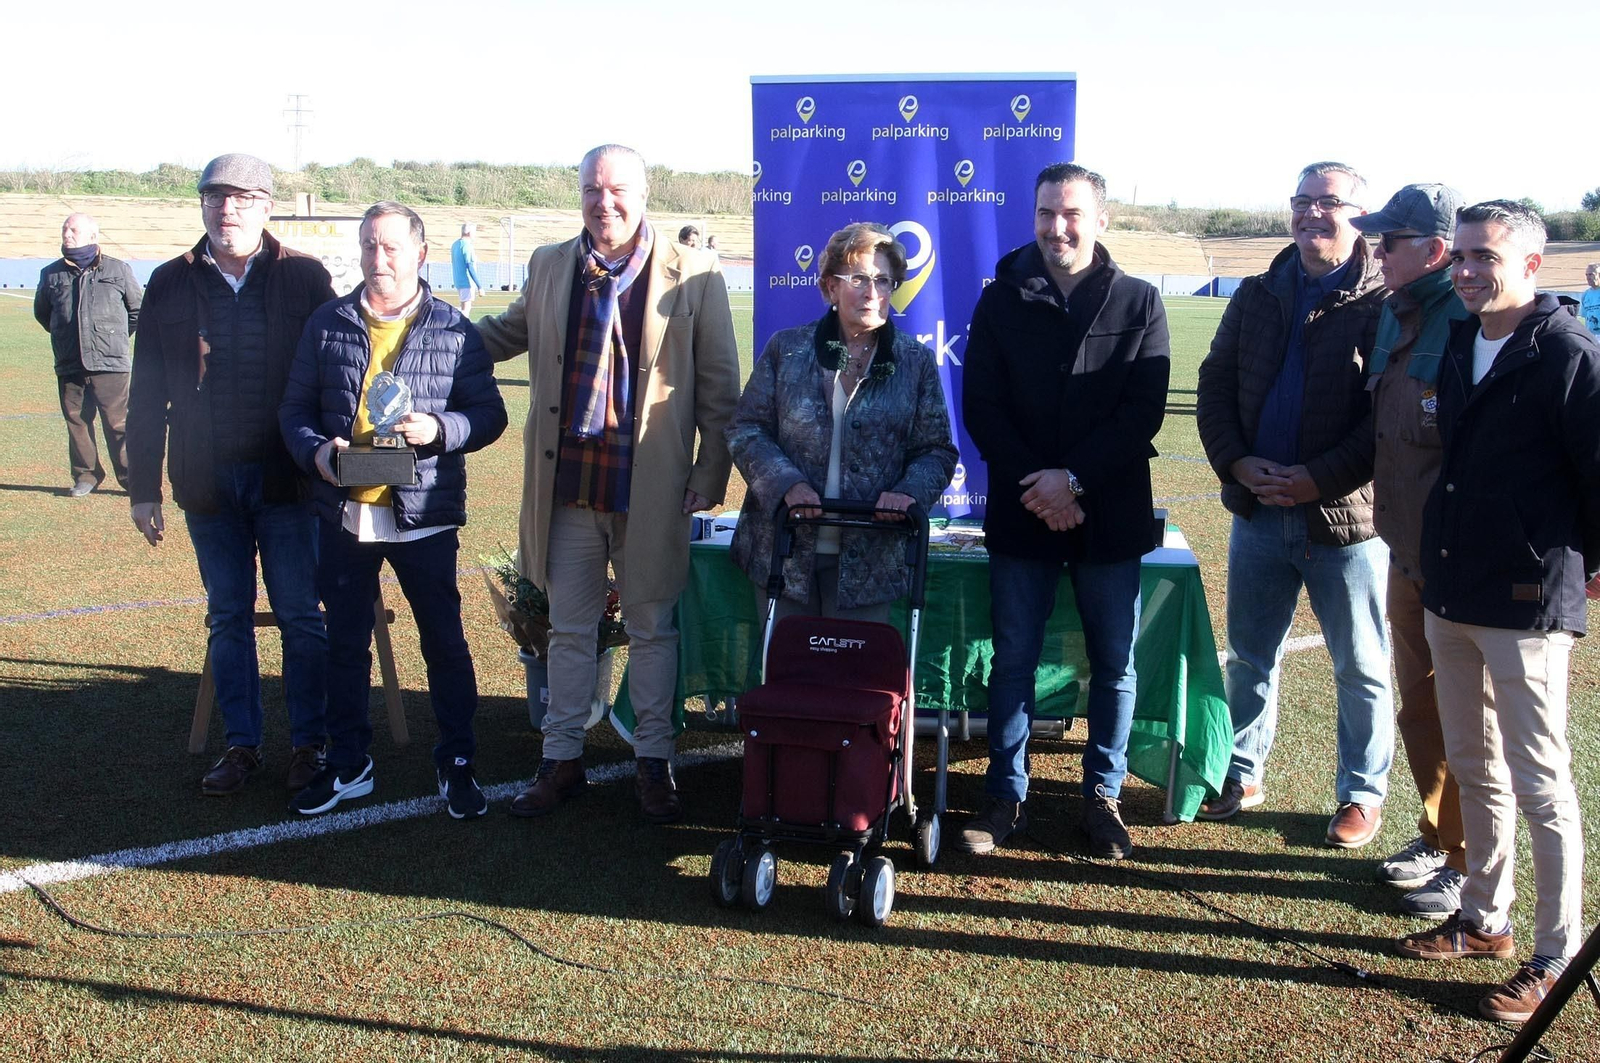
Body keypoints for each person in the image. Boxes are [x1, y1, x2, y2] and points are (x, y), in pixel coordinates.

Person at [476, 144, 740, 824]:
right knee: (568, 630)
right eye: (593, 190)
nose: (605, 202)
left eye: (618, 189)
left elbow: (718, 386)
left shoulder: (697, 273)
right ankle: (561, 759)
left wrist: (711, 472)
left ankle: (655, 762)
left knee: (653, 629)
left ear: (644, 192)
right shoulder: (550, 264)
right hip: (568, 484)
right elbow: (507, 333)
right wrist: (426, 329)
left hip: (653, 483)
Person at [1396, 201, 1600, 1024]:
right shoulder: (1458, 338)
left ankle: (1556, 954)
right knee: (1475, 767)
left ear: (1531, 262)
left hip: (1525, 602)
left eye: (1487, 256)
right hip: (1453, 589)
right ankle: (1485, 919)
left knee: (1540, 780)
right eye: (1464, 257)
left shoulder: (1568, 355)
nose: (1470, 269)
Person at [956, 163, 1171, 861]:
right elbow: (982, 408)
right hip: (1024, 512)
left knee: (1114, 663)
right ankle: (1004, 794)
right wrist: (1042, 488)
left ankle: (1101, 797)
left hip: (1109, 514)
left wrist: (1072, 480)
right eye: (1047, 212)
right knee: (1013, 658)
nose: (1058, 227)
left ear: (1101, 219)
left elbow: (1140, 414)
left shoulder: (1140, 301)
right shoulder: (999, 300)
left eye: (1072, 213)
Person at [279, 201, 507, 818]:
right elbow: (293, 412)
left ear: (420, 254)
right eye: (368, 246)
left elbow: (490, 415)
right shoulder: (327, 322)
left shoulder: (456, 330)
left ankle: (457, 761)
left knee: (444, 643)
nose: (377, 260)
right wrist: (316, 455)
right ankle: (349, 763)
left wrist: (438, 427)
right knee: (344, 644)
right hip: (344, 512)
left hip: (424, 510)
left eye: (390, 248)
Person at [1195, 161, 1394, 848]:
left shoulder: (1382, 303)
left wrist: (1318, 479)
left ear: (1358, 216)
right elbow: (1215, 383)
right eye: (1302, 201)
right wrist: (1236, 462)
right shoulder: (1256, 293)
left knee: (1362, 664)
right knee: (1249, 656)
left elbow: (1384, 421)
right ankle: (1243, 772)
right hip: (1257, 512)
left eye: (1329, 203)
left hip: (1346, 523)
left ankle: (1362, 794)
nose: (1313, 214)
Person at [125, 153, 333, 796]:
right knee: (228, 616)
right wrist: (142, 488)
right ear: (203, 205)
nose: (228, 209)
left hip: (289, 483)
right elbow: (145, 393)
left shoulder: (305, 277)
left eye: (243, 198)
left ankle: (310, 745)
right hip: (206, 486)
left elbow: (335, 376)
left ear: (268, 206)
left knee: (301, 614)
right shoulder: (168, 282)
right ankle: (242, 745)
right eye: (216, 197)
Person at [725, 222, 957, 622]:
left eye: (883, 281)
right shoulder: (787, 348)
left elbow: (936, 451)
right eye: (859, 279)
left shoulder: (914, 362)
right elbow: (746, 429)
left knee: (855, 679)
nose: (872, 293)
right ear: (831, 287)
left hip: (870, 558)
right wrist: (787, 484)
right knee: (788, 674)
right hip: (785, 549)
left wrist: (908, 493)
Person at [1348, 184, 1471, 915]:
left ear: (1432, 249)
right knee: (1420, 708)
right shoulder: (1395, 318)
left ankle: (1468, 861)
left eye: (1389, 240)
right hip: (1404, 549)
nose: (1376, 251)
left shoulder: (1469, 322)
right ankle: (1436, 833)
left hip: (1461, 562)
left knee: (1471, 721)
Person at [34, 213, 142, 496]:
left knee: (118, 422)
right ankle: (86, 475)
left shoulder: (118, 270)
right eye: (65, 229)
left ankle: (132, 477)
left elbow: (136, 311)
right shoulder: (51, 273)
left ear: (93, 237)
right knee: (77, 421)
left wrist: (112, 339)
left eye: (74, 230)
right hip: (70, 362)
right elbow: (43, 314)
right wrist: (67, 338)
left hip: (111, 363)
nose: (67, 234)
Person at [452, 223, 484, 316]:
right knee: (466, 310)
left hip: (458, 280)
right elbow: (470, 266)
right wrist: (480, 286)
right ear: (469, 233)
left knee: (463, 307)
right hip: (467, 281)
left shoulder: (455, 244)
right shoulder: (467, 246)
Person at [1581, 262, 1600, 336]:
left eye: (1591, 274)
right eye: (1587, 275)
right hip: (1592, 336)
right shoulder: (1585, 295)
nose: (1588, 277)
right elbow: (1585, 317)